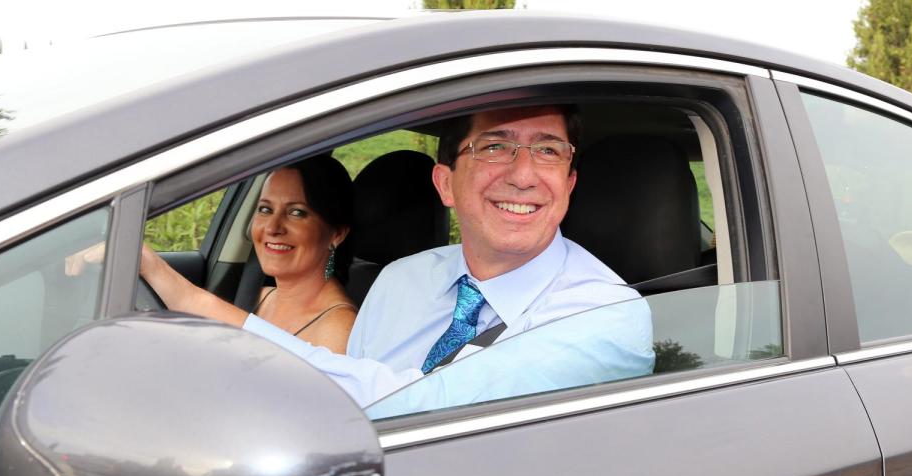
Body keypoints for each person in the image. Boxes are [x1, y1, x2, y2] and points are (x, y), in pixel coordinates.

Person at [242, 105, 655, 411]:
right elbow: (348, 416)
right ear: (446, 185)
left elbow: (425, 407)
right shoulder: (399, 280)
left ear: (568, 184)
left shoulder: (605, 313)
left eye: (548, 151)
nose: (524, 175)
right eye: (495, 146)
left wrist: (214, 318)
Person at [72, 155, 357, 353]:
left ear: (337, 233)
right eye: (265, 209)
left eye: (297, 213)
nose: (272, 227)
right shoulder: (260, 296)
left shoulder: (339, 328)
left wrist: (147, 262)